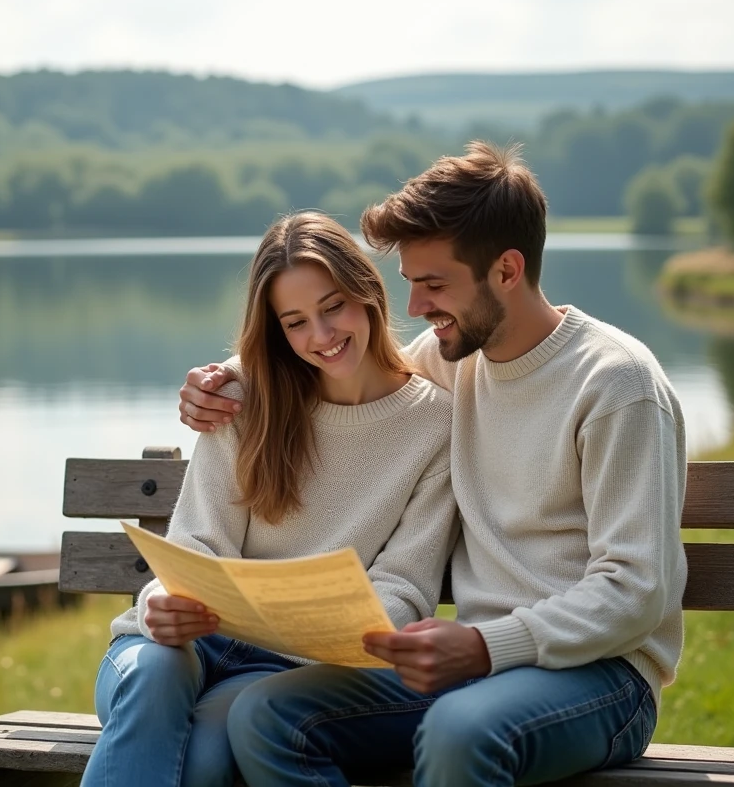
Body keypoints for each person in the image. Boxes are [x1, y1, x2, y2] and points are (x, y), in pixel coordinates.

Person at [176, 142, 689, 787]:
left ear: (506, 269)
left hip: (600, 676)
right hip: (472, 665)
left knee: (459, 731)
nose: (414, 305)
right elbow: (344, 363)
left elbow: (635, 589)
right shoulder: (450, 356)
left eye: (435, 284)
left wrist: (482, 646)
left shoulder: (614, 385)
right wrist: (231, 383)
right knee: (265, 713)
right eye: (411, 282)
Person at [80, 211, 458, 787]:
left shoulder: (435, 423)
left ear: (368, 293)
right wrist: (161, 600)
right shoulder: (242, 396)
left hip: (277, 673)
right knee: (154, 678)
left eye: (333, 307)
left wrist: (336, 623)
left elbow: (405, 584)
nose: (321, 337)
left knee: (202, 766)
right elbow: (196, 542)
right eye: (296, 322)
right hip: (173, 651)